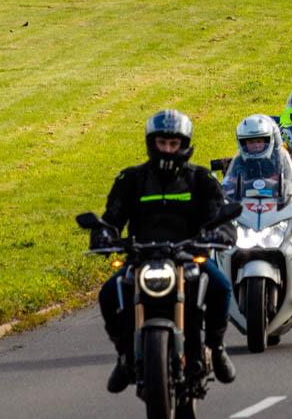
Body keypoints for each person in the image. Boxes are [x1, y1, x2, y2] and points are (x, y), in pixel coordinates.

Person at [96, 109, 235, 392]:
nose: (168, 149)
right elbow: (112, 218)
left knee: (221, 287)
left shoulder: (201, 179)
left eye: (174, 144)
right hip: (141, 258)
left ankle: (216, 347)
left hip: (189, 257)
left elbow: (219, 215)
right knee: (108, 293)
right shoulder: (131, 179)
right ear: (152, 143)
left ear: (185, 144)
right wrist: (103, 235)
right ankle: (124, 355)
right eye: (162, 143)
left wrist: (220, 232)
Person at [221, 114, 292, 205]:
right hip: (245, 207)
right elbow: (228, 186)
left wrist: (285, 185)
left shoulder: (279, 159)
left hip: (278, 205)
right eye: (251, 142)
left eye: (259, 141)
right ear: (243, 143)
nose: (256, 145)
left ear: (268, 141)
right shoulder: (238, 161)